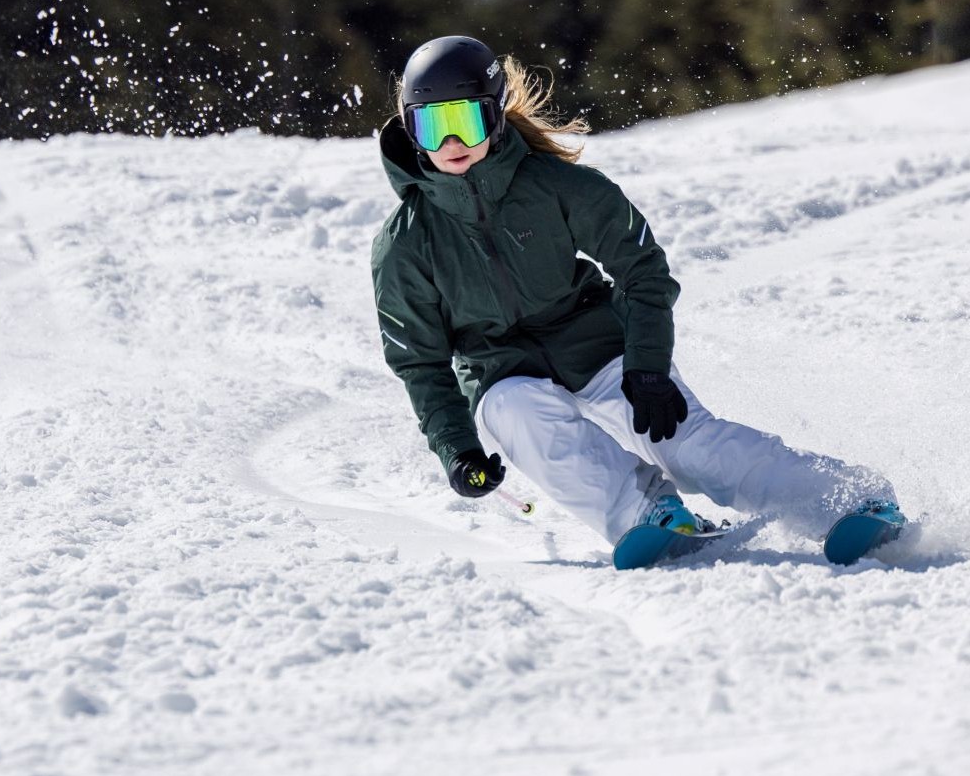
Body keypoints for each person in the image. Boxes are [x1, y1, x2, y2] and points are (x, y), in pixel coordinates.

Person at [371, 35, 900, 559]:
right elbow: (421, 361)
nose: (450, 144)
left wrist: (647, 365)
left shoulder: (557, 185)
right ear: (413, 132)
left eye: (464, 121)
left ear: (495, 116)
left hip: (595, 339)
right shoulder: (405, 242)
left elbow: (642, 269)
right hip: (499, 370)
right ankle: (648, 513)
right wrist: (458, 451)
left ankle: (848, 500)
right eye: (432, 126)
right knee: (518, 415)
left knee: (686, 443)